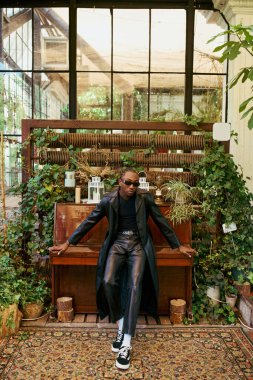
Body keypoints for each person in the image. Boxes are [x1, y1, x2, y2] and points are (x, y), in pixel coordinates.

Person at [49, 168, 195, 370]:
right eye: (128, 183)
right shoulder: (109, 200)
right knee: (108, 281)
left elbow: (161, 221)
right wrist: (68, 243)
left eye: (135, 184)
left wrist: (178, 245)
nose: (132, 187)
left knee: (135, 286)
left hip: (137, 245)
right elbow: (90, 221)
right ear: (120, 182)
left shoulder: (145, 199)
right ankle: (120, 323)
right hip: (117, 244)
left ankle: (126, 343)